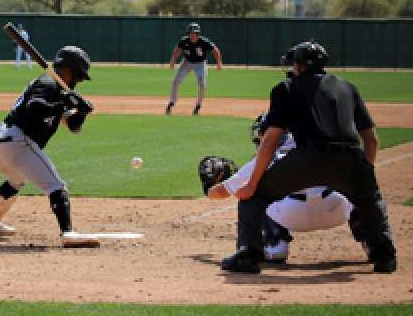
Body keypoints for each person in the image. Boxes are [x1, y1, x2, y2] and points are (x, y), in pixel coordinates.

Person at [223, 40, 397, 274]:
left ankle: (249, 254)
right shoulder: (348, 87)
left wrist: (252, 184)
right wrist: (364, 174)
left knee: (254, 197)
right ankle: (384, 256)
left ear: (298, 66)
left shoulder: (285, 88)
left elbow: (271, 139)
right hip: (350, 158)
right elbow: (371, 140)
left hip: (308, 158)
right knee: (370, 199)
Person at [0, 45, 100, 247]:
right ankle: (68, 233)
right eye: (80, 76)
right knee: (56, 185)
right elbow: (35, 108)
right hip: (17, 141)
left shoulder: (56, 90)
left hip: (1, 141)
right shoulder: (48, 83)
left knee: (16, 180)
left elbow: (73, 126)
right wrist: (64, 102)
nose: (79, 81)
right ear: (73, 70)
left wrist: (79, 111)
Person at [206, 113, 360, 263]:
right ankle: (374, 244)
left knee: (252, 191)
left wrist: (208, 188)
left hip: (291, 215)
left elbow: (222, 192)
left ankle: (276, 244)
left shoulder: (266, 157)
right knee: (360, 187)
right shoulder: (321, 146)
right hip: (336, 210)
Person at [166, 22, 222, 115]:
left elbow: (216, 50)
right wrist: (172, 61)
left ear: (197, 34)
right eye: (190, 33)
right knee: (175, 81)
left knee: (202, 84)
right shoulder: (184, 41)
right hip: (186, 62)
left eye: (194, 33)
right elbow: (177, 50)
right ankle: (172, 102)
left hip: (200, 63)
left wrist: (219, 63)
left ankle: (198, 105)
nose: (191, 35)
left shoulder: (203, 42)